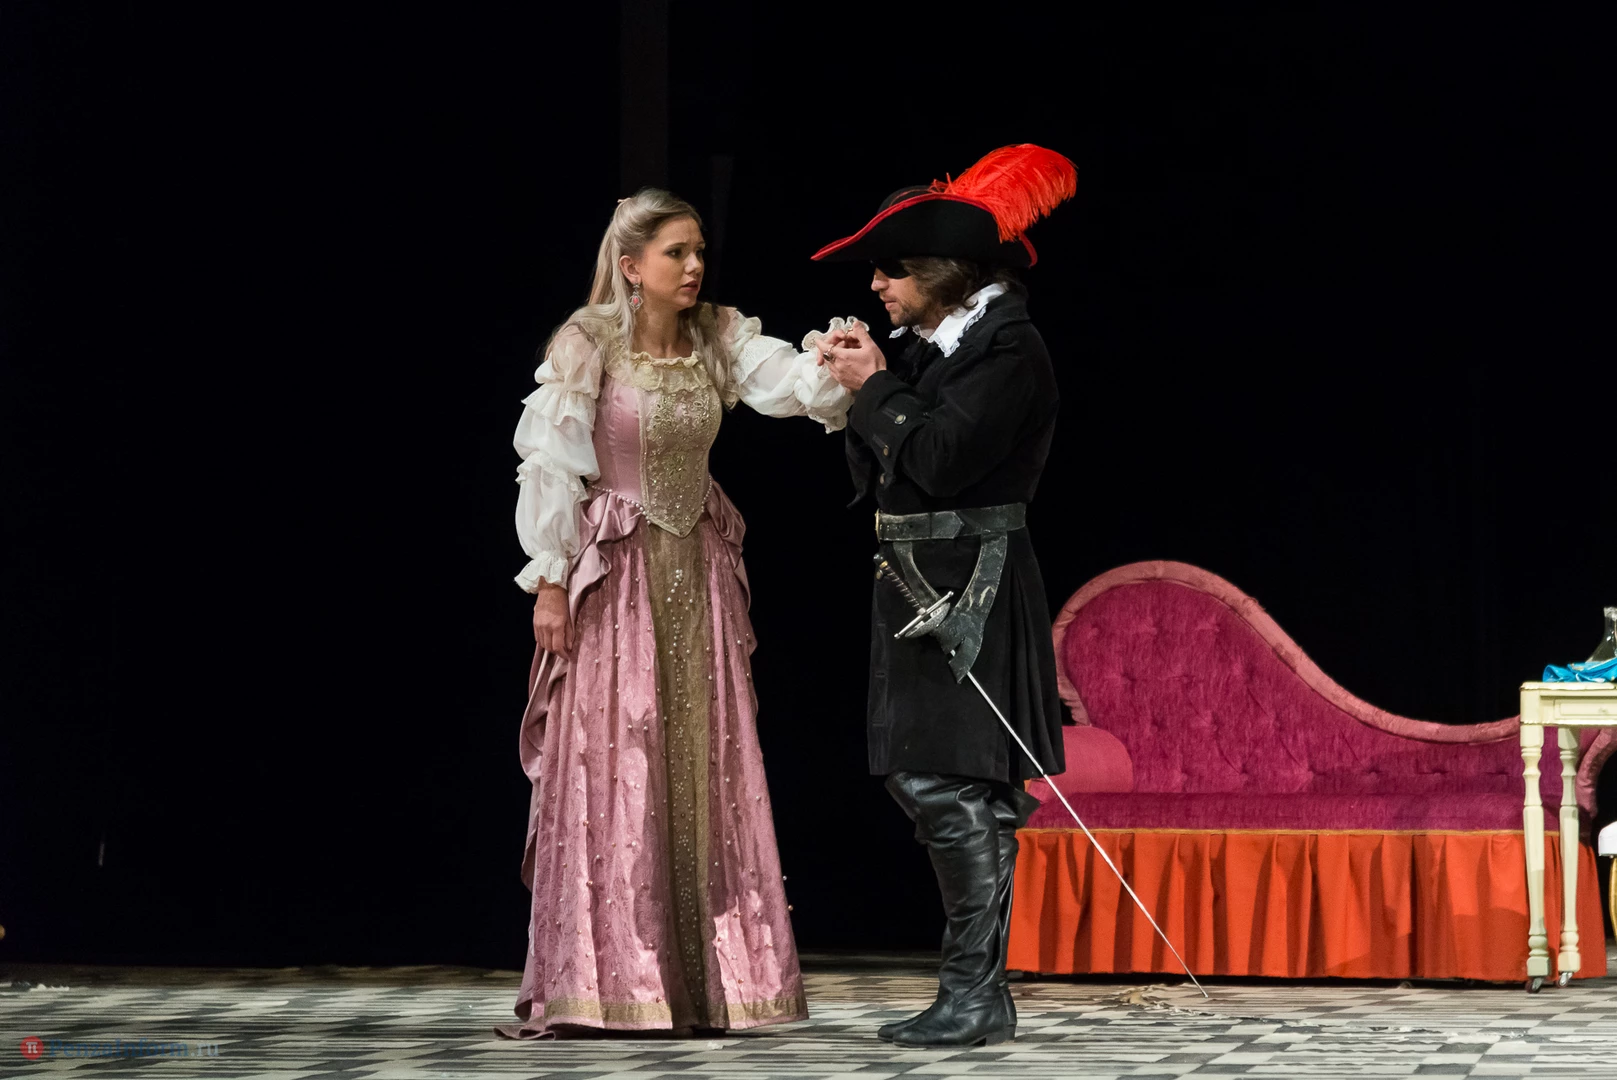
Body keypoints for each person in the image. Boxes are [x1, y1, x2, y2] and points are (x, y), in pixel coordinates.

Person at [502, 188, 856, 1037]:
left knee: (702, 758)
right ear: (631, 267)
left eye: (699, 251)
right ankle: (612, 980)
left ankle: (702, 983)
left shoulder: (717, 335)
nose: (694, 266)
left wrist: (834, 359)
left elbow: (793, 384)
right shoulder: (588, 343)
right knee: (618, 755)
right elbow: (551, 463)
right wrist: (548, 581)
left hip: (696, 575)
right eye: (675, 253)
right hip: (614, 576)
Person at [815, 145, 1076, 1048]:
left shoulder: (1008, 348)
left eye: (891, 269)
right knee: (945, 783)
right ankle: (974, 993)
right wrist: (863, 384)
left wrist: (873, 387)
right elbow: (883, 469)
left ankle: (976, 992)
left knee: (947, 781)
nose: (877, 285)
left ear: (942, 270)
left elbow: (934, 461)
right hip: (923, 584)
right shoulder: (940, 349)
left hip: (973, 587)